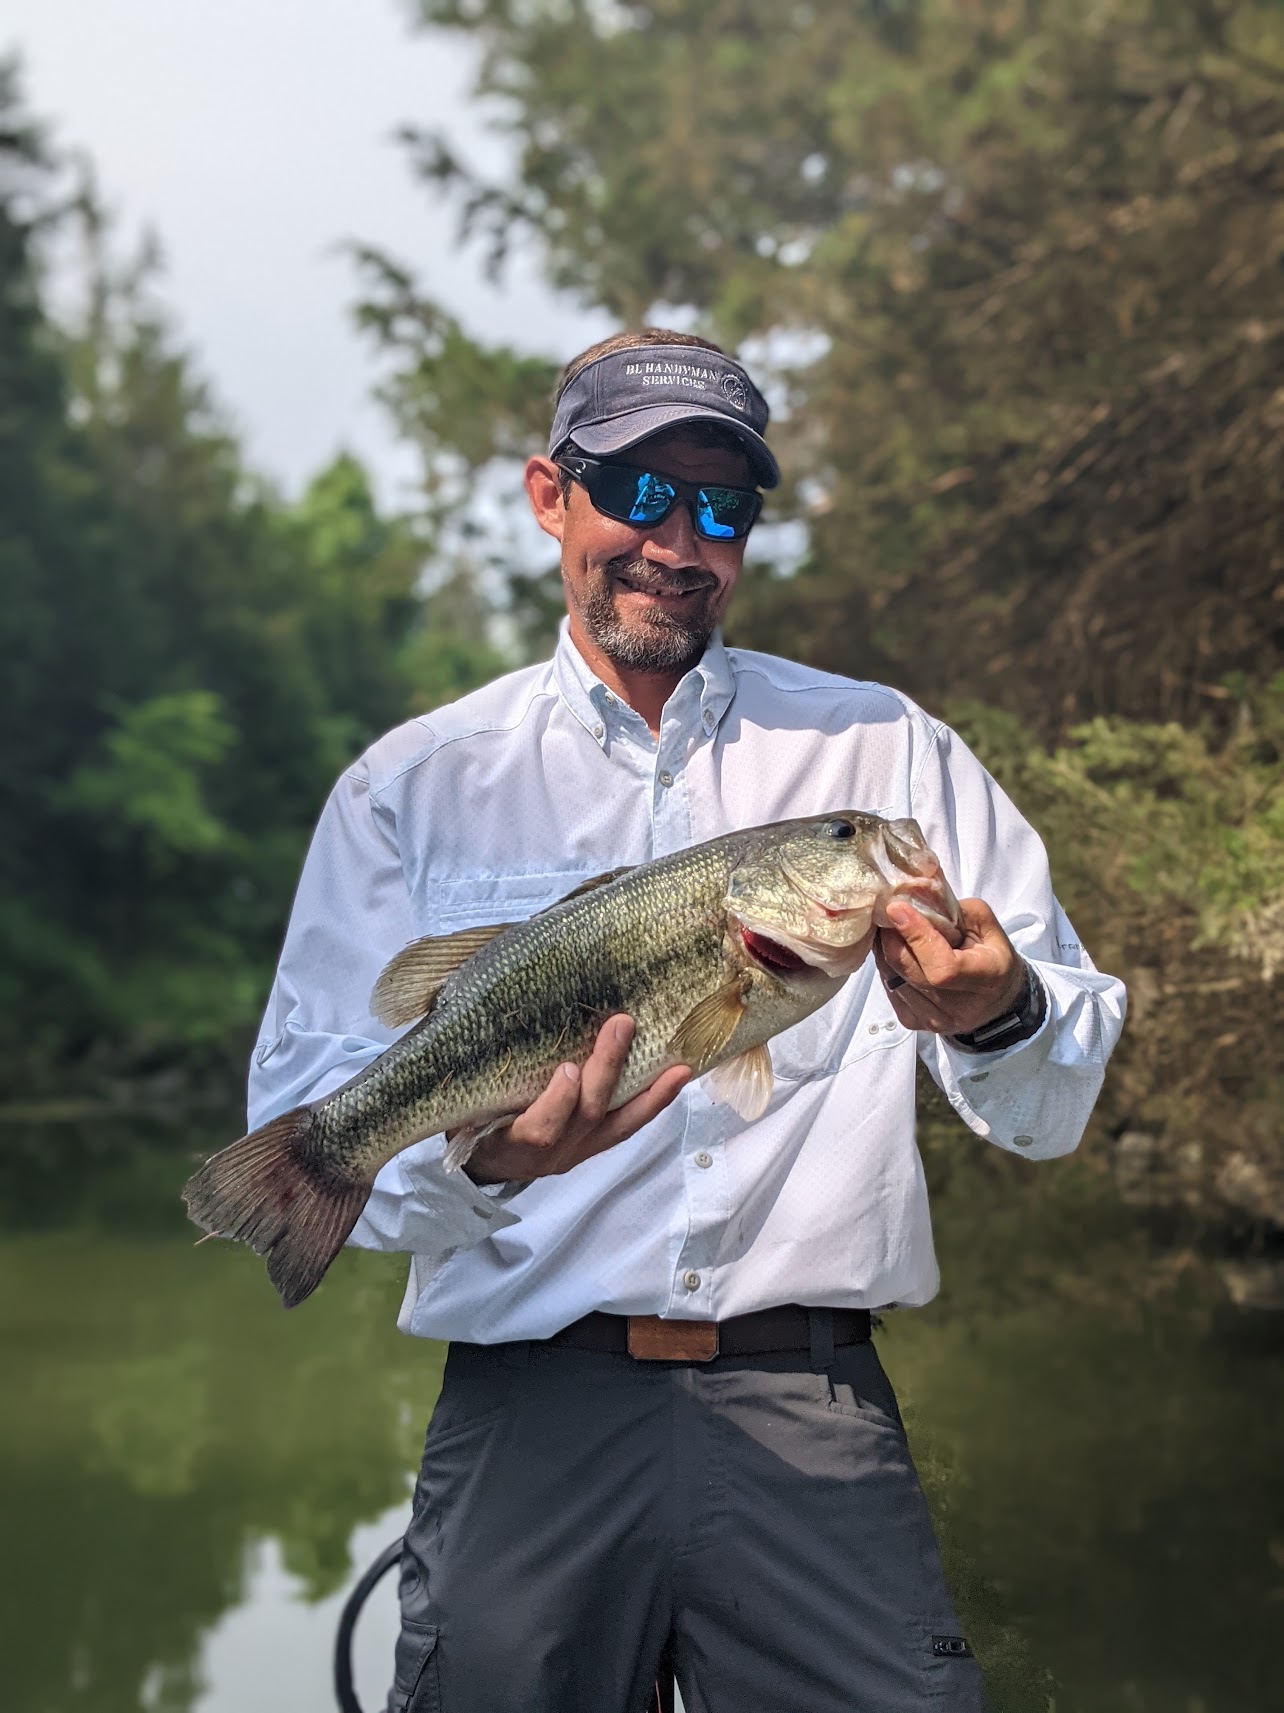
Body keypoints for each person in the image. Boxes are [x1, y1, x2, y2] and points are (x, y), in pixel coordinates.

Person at [249, 328, 1125, 1713]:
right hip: (531, 1403)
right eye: (638, 492)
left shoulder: (888, 752)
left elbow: (1056, 1097)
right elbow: (314, 1112)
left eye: (722, 507)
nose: (678, 539)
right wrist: (487, 1159)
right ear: (553, 495)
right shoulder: (410, 786)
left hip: (814, 1412)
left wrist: (1003, 1006)